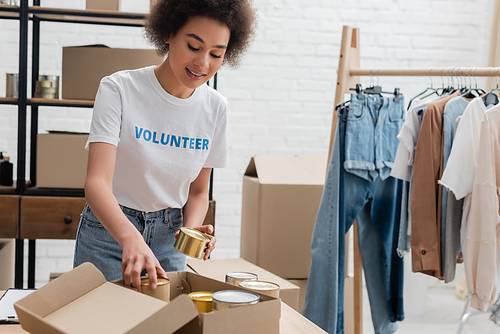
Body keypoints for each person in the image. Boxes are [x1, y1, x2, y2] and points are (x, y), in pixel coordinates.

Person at [73, 0, 256, 291]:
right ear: (169, 32)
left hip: (169, 236)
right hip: (108, 232)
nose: (203, 63)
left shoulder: (215, 108)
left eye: (216, 54)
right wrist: (130, 238)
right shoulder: (119, 89)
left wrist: (192, 229)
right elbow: (96, 183)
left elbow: (198, 191)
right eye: (194, 47)